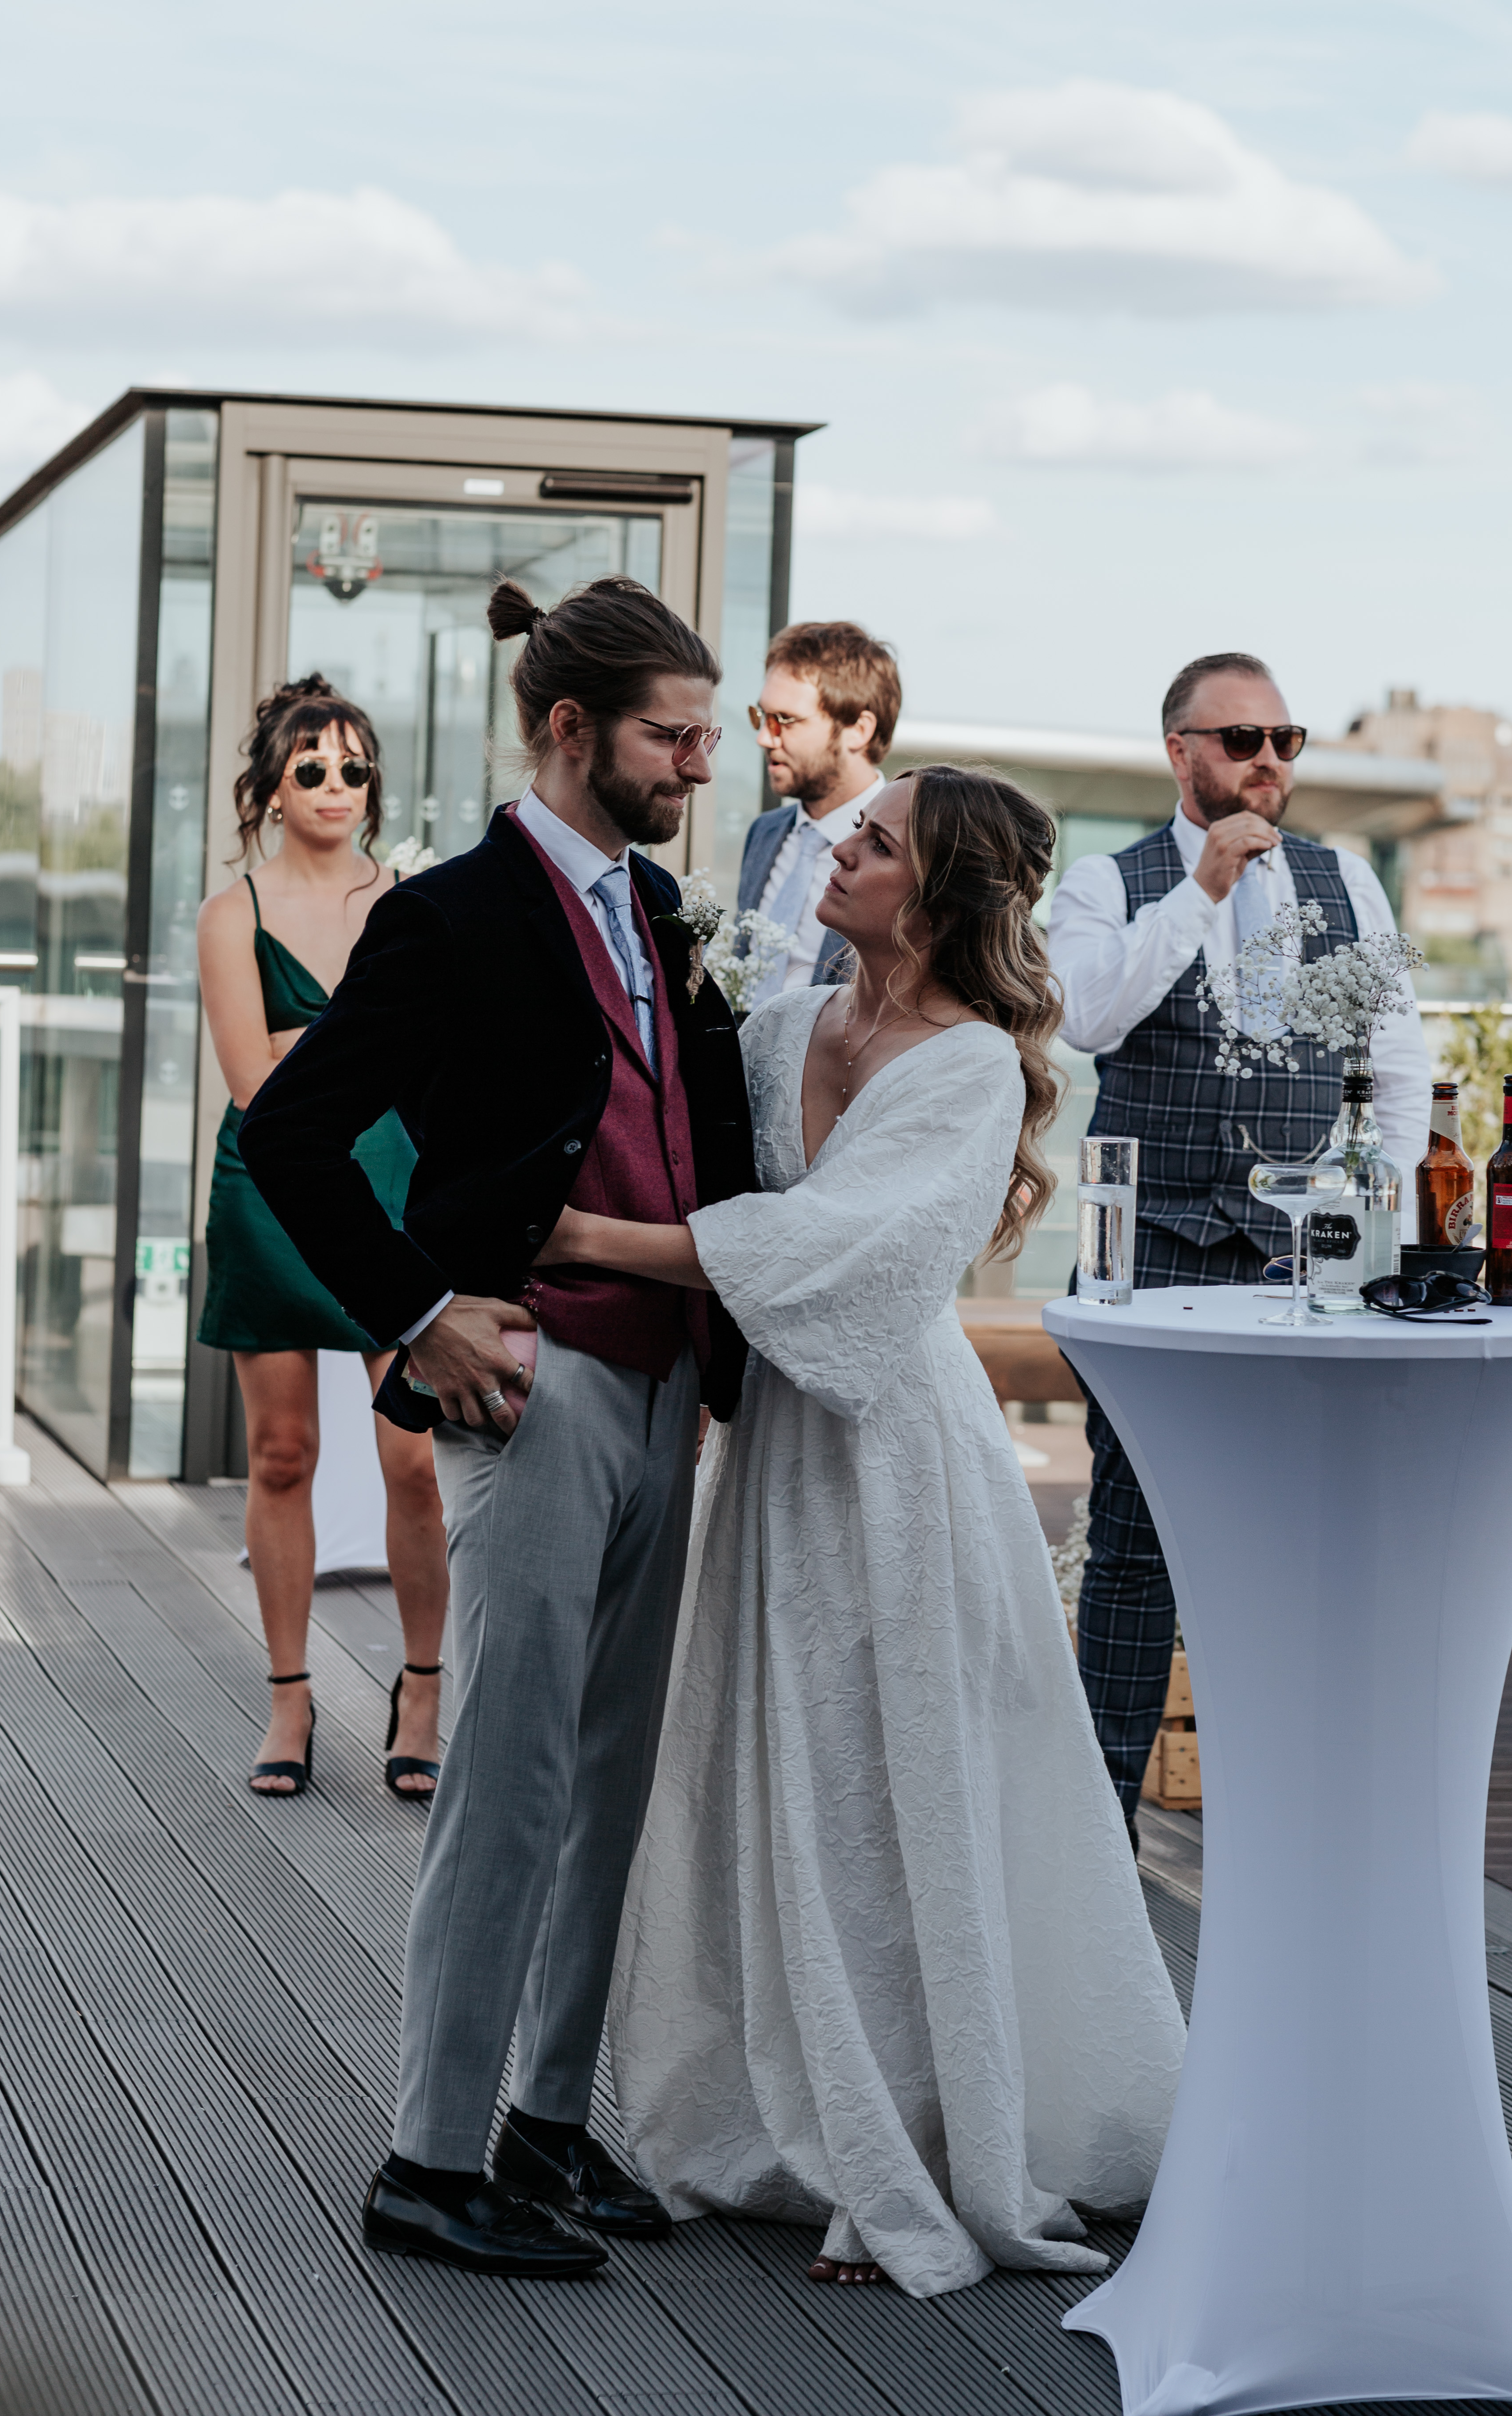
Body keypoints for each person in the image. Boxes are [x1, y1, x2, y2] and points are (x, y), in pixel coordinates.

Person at [540, 766, 1187, 2298]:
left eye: (875, 842)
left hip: (897, 1464)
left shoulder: (967, 1072)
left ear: (940, 893)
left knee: (896, 1784)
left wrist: (579, 1238)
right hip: (774, 1457)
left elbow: (833, 1250)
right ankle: (791, 2108)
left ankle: (911, 2135)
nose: (840, 847)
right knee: (780, 1770)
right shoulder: (781, 1026)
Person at [237, 575, 756, 2283]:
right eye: (669, 733)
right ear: (566, 728)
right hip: (531, 1382)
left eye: (701, 732)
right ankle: (430, 2154)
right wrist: (417, 1308)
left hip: (670, 1382)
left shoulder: (669, 909)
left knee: (607, 1779)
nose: (696, 761)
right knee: (510, 1783)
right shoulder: (451, 913)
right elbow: (297, 1136)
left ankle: (544, 2118)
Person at [1046, 652, 1430, 1831]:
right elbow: (1083, 1016)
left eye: (1285, 739)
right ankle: (1100, 1819)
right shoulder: (1112, 882)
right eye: (1240, 740)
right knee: (1134, 1531)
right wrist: (1201, 887)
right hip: (1149, 1243)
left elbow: (1397, 1057)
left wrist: (1384, 1229)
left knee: (1299, 1526)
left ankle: (1288, 1802)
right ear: (1180, 754)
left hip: (1302, 1255)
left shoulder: (1348, 878)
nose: (1269, 761)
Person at [195, 676, 448, 1801]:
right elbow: (255, 1082)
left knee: (414, 1454)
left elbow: (439, 1060)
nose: (338, 787)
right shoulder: (230, 914)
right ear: (270, 788)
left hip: (397, 1182)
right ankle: (289, 1698)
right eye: (313, 770)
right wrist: (366, 1050)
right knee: (282, 1453)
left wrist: (333, 1048)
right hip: (272, 1187)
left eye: (354, 769)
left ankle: (425, 1686)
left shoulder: (412, 903)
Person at [739, 620, 902, 998]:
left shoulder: (907, 853)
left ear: (858, 730)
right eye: (763, 717)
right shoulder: (764, 834)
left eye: (786, 721)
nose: (765, 737)